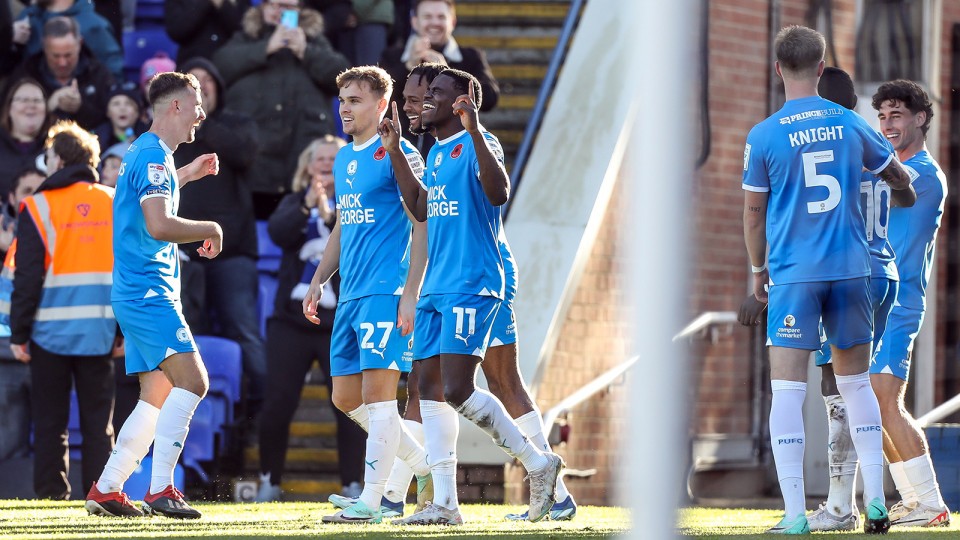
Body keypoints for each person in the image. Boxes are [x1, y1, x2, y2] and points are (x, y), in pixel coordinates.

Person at [741, 26, 915, 535]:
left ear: (779, 70)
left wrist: (758, 269)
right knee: (857, 384)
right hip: (852, 270)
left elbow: (753, 214)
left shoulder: (765, 134)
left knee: (788, 391)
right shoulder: (851, 122)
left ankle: (796, 515)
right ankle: (876, 503)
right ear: (821, 67)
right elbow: (898, 179)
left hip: (795, 274)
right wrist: (900, 189)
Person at [384, 68, 562, 526]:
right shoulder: (438, 151)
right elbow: (422, 207)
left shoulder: (478, 142)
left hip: (473, 282)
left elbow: (498, 191)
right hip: (437, 286)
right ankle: (445, 503)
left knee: (462, 388)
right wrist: (394, 154)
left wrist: (476, 128)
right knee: (426, 388)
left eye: (436, 94)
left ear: (462, 101)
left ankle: (539, 464)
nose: (426, 100)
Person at [84, 71, 222, 519]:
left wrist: (188, 174)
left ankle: (108, 487)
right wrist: (211, 228)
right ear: (177, 106)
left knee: (155, 397)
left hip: (138, 290)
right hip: (148, 292)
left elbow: (145, 198)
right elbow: (158, 225)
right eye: (197, 103)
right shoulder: (153, 158)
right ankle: (162, 487)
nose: (202, 113)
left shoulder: (146, 152)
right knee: (195, 382)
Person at [298, 66, 431, 524]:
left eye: (354, 101)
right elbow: (341, 223)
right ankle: (423, 465)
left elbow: (423, 226)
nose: (345, 109)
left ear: (381, 105)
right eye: (342, 101)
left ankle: (372, 500)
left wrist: (410, 294)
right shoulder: (343, 158)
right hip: (351, 294)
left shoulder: (400, 154)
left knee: (379, 399)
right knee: (344, 398)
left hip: (385, 291)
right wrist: (319, 277)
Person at [5, 121, 116, 499]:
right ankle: (104, 494)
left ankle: (53, 496)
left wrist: (18, 335)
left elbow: (27, 278)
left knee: (51, 423)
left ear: (58, 160)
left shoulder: (36, 206)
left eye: (48, 156)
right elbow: (130, 272)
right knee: (99, 424)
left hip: (48, 334)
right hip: (100, 332)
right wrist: (122, 332)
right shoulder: (113, 200)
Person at [255, 135, 367, 503]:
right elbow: (278, 233)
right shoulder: (292, 201)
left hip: (340, 320)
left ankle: (354, 484)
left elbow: (354, 240)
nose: (323, 163)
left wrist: (329, 211)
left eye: (331, 158)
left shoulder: (356, 203)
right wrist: (307, 204)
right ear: (306, 165)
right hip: (290, 321)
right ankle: (269, 481)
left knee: (348, 404)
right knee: (278, 402)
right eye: (317, 157)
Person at [868, 80, 951, 528]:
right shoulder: (893, 167)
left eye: (896, 114)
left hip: (900, 303)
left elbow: (887, 183)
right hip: (875, 302)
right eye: (881, 116)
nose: (887, 124)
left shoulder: (923, 173)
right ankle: (913, 500)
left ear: (920, 118)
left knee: (885, 402)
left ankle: (932, 502)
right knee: (870, 407)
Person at [173, 57, 266, 415]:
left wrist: (201, 119)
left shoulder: (237, 123)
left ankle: (256, 417)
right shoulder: (170, 134)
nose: (201, 88)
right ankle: (198, 422)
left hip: (233, 253)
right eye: (192, 84)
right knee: (186, 338)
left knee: (242, 333)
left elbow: (243, 154)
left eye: (206, 82)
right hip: (180, 253)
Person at [213, 0, 351, 219]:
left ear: (299, 11)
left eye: (287, 7)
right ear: (263, 8)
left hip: (301, 165)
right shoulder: (247, 37)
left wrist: (305, 50)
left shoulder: (313, 40)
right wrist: (265, 48)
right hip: (255, 167)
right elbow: (218, 67)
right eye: (274, 5)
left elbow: (342, 76)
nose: (280, 12)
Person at [380, 0, 499, 145]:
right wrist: (408, 66)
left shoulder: (471, 56)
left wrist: (448, 74)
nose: (435, 22)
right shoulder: (392, 56)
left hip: (455, 145)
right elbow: (380, 99)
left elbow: (490, 98)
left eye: (441, 17)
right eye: (428, 17)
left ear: (453, 22)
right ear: (414, 22)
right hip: (404, 144)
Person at [0, 165, 45, 464]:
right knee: (8, 435)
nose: (34, 199)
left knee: (50, 431)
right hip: (5, 352)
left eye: (40, 192)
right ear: (12, 198)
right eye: (28, 192)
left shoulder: (58, 234)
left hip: (45, 347)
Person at [5, 16, 115, 130]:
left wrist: (81, 108)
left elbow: (113, 122)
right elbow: (7, 120)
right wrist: (46, 106)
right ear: (44, 46)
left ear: (80, 43)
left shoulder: (98, 73)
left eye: (68, 55)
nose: (62, 63)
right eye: (55, 56)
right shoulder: (27, 73)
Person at [7, 0, 124, 81]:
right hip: (33, 102)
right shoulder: (27, 17)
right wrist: (8, 38)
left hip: (81, 105)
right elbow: (9, 70)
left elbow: (113, 76)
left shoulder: (93, 25)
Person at [0, 78, 50, 203]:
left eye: (37, 101)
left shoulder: (58, 146)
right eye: (23, 100)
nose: (31, 105)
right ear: (9, 107)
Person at [164, 0, 251, 64]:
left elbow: (245, 31)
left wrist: (223, 5)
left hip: (229, 64)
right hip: (192, 63)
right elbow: (176, 30)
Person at [92, 82, 147, 151]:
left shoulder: (151, 139)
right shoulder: (94, 141)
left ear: (137, 112)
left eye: (128, 104)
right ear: (107, 112)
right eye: (116, 104)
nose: (122, 108)